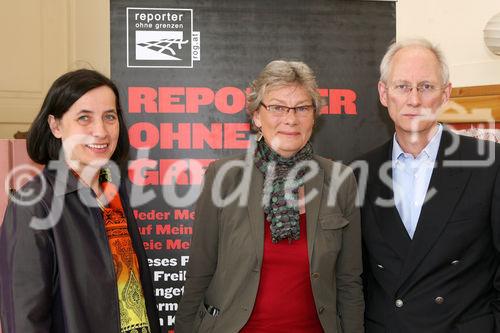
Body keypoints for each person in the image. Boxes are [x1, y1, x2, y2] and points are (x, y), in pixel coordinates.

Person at [175, 60, 364, 333]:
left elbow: (349, 281)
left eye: (302, 108)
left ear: (314, 116)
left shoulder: (340, 180)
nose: (290, 119)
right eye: (276, 107)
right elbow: (199, 274)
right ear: (255, 116)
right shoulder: (224, 177)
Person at [0, 69, 160, 333]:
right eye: (84, 118)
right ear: (56, 126)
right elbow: (24, 320)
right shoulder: (32, 205)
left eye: (109, 117)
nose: (100, 131)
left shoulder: (115, 194)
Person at [358, 38, 500, 332]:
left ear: (445, 94)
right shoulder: (358, 172)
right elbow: (354, 276)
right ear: (384, 94)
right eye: (402, 86)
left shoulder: (489, 164)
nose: (414, 100)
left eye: (426, 86)